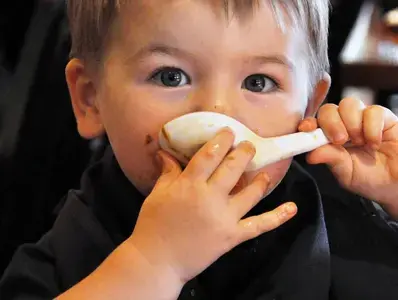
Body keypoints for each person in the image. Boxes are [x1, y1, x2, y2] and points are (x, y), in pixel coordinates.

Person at [1, 0, 398, 299]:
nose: (217, 113)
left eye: (259, 82)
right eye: (171, 76)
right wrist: (154, 263)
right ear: (91, 99)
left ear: (309, 106)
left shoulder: (340, 219)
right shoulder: (66, 258)